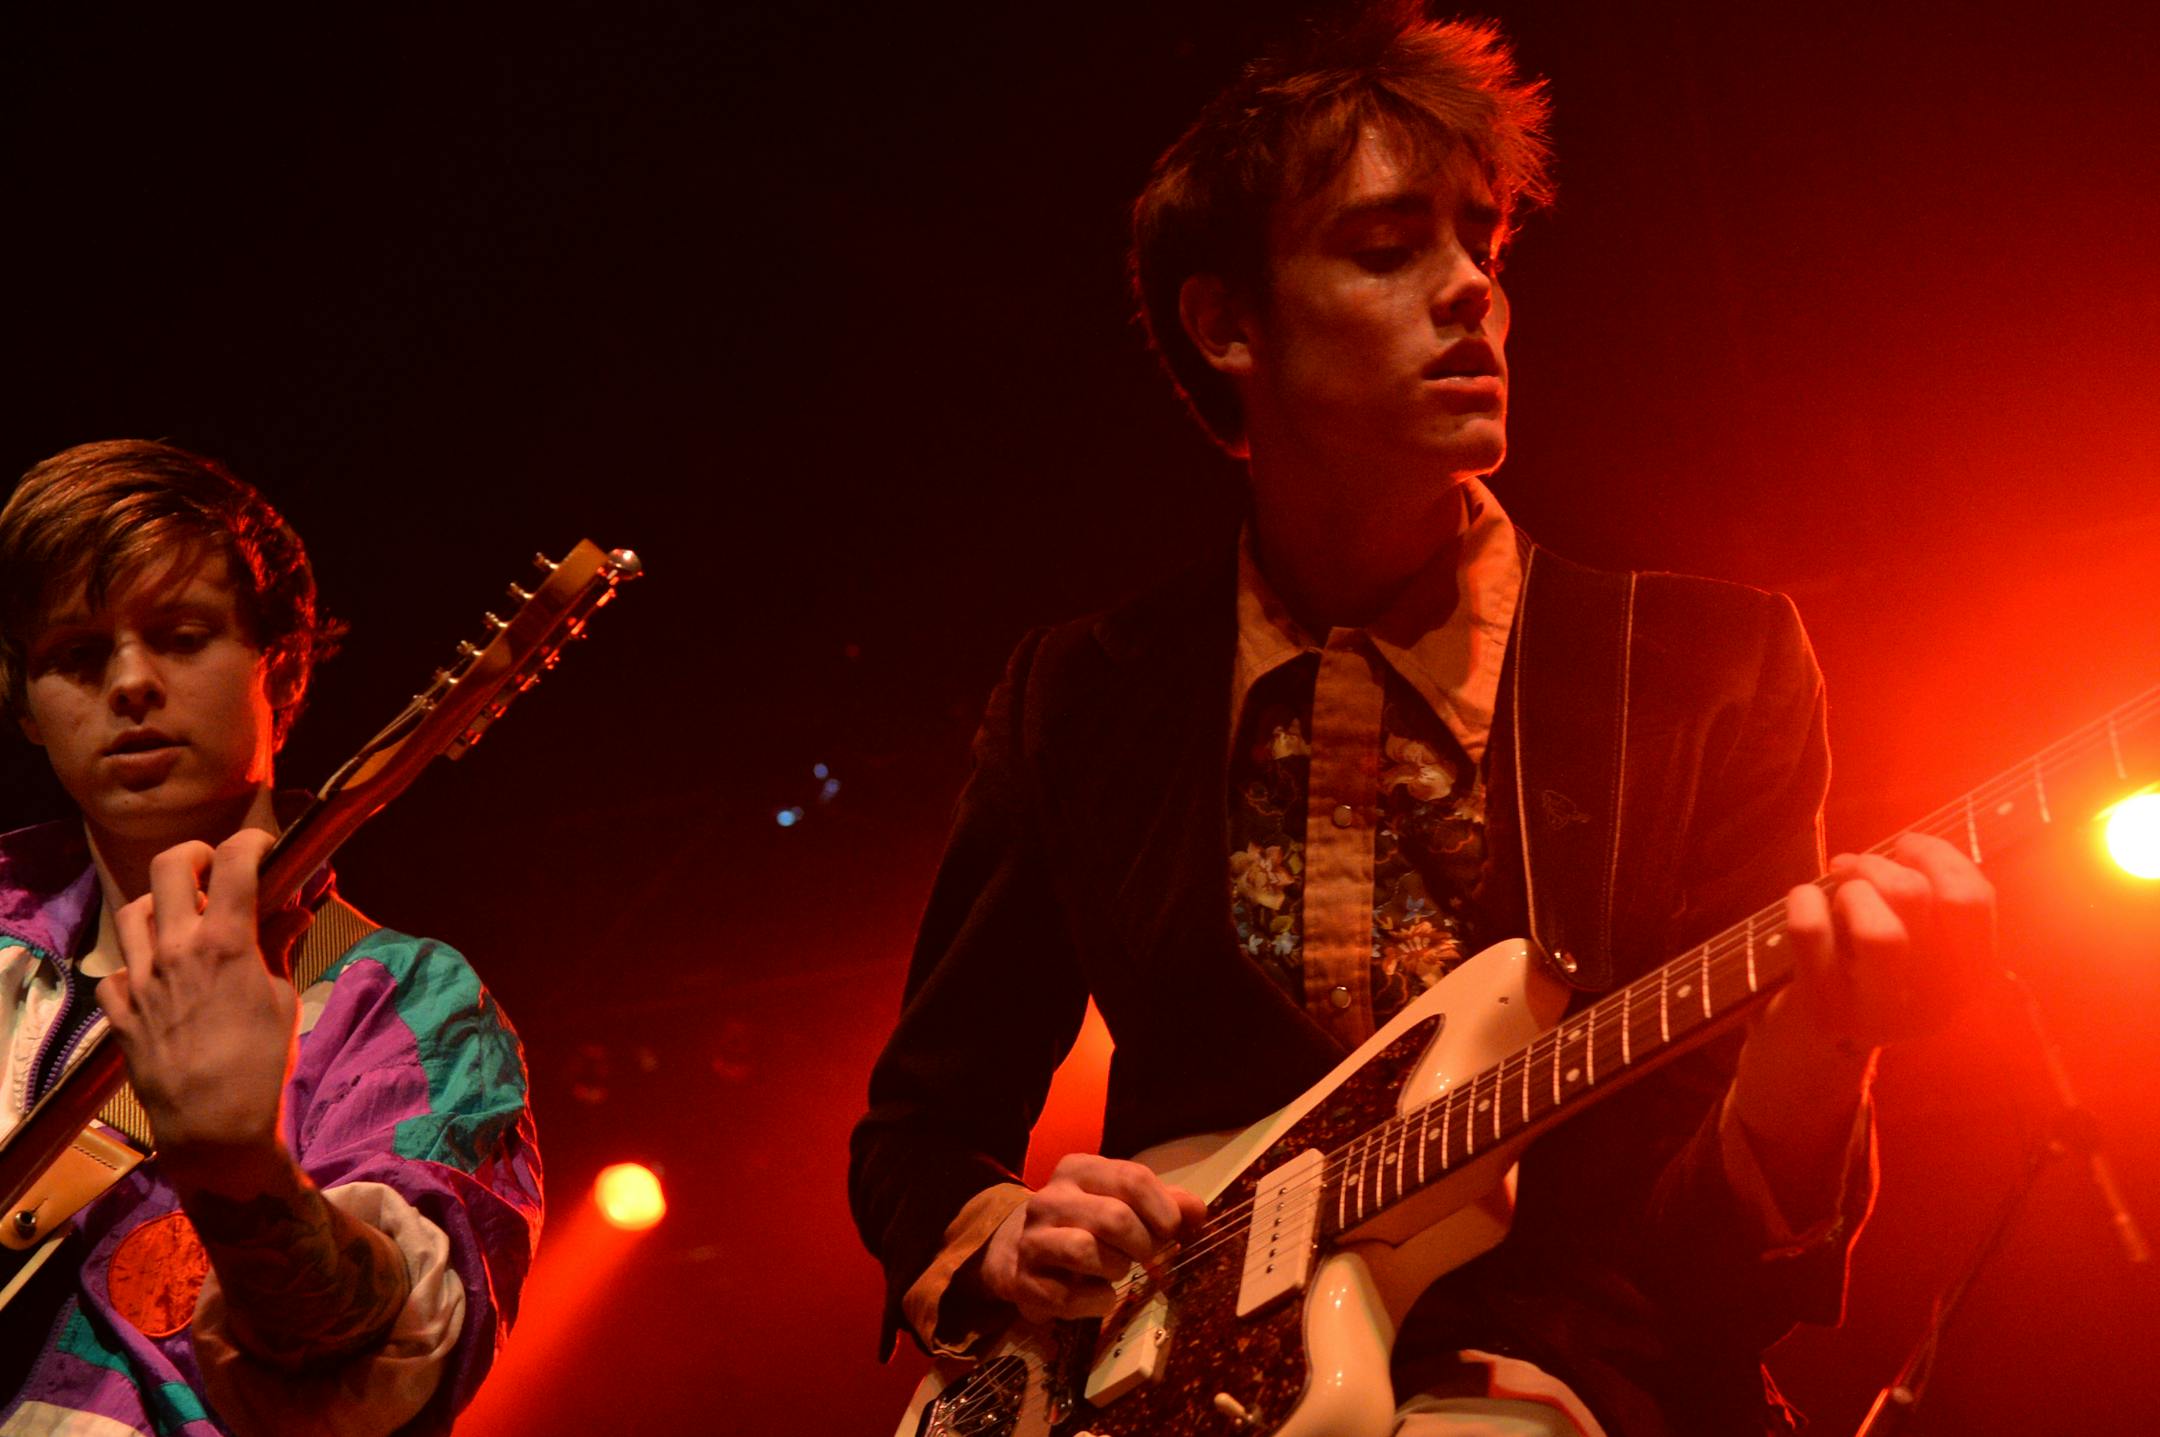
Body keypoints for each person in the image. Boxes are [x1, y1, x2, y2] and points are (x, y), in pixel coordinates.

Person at [849, 6, 1997, 1435]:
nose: (1471, 293)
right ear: (1225, 325)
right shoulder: (1081, 690)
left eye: (1483, 245)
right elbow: (919, 1132)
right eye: (1390, 251)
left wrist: (1827, 1047)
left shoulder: (1706, 667)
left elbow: (1711, 1264)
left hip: (1569, 1386)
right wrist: (1002, 1230)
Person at [0, 439, 541, 1435]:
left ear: (279, 665)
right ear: (25, 703)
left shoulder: (409, 1006)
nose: (130, 684)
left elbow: (389, 1388)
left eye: (182, 636)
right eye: (77, 654)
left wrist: (238, 1168)